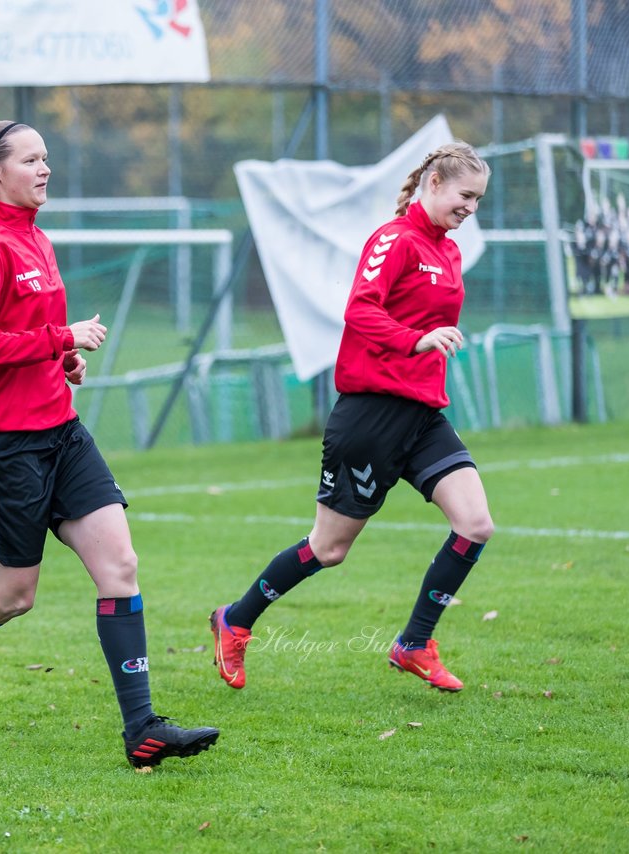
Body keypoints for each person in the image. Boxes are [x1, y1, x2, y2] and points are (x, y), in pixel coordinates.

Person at [0, 120, 219, 768]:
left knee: (119, 565)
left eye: (47, 158)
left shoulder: (36, 238)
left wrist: (62, 358)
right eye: (31, 159)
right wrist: (59, 338)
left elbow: (32, 331)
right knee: (12, 594)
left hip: (59, 432)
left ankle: (142, 728)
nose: (44, 169)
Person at [210, 141, 495, 693]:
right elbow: (360, 309)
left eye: (479, 200)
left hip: (422, 416)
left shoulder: (448, 252)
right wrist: (417, 341)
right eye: (465, 196)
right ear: (434, 183)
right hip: (369, 416)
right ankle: (236, 620)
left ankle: (414, 642)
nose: (471, 209)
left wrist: (426, 343)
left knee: (476, 523)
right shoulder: (395, 239)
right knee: (329, 548)